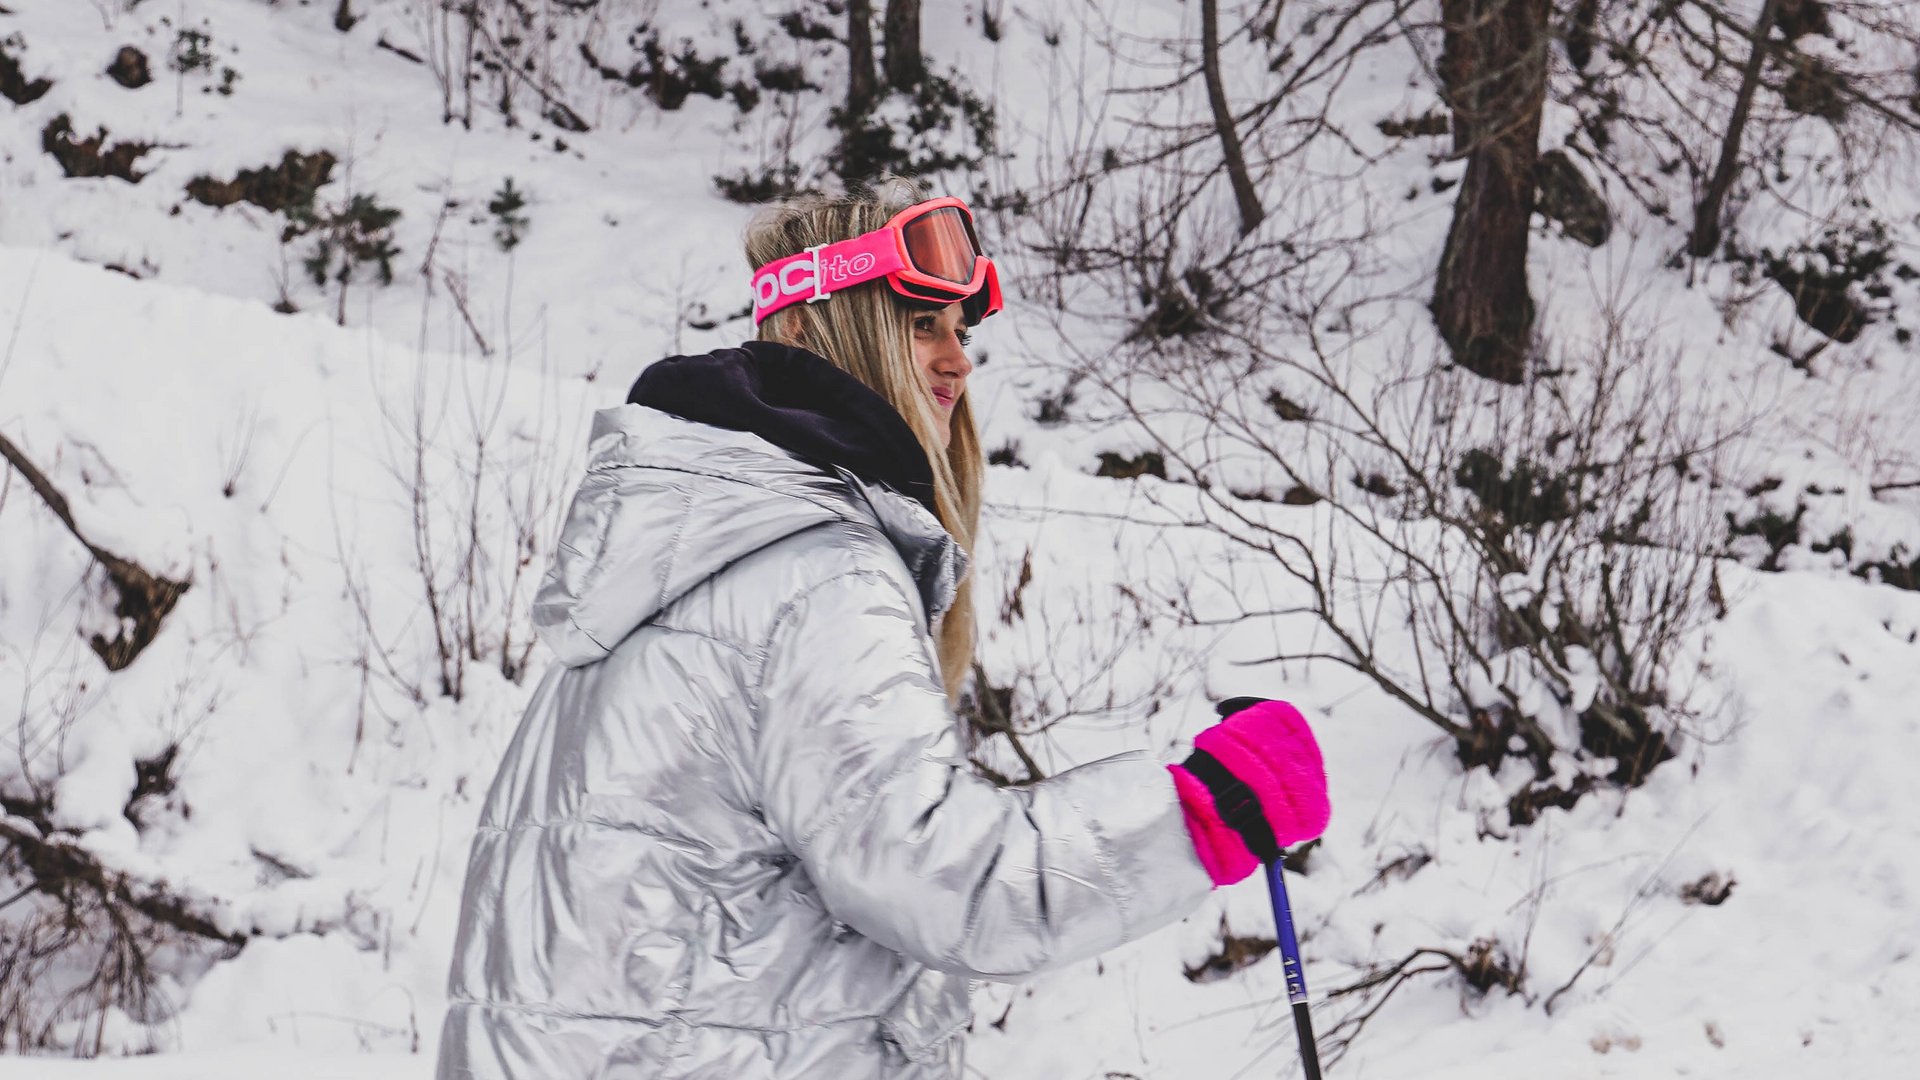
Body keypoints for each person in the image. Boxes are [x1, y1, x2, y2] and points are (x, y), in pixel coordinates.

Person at [435, 179, 1332, 1079]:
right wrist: (1209, 808)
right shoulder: (812, 572)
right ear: (820, 333)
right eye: (920, 325)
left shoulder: (692, 547)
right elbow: (948, 882)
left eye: (962, 331)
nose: (958, 361)